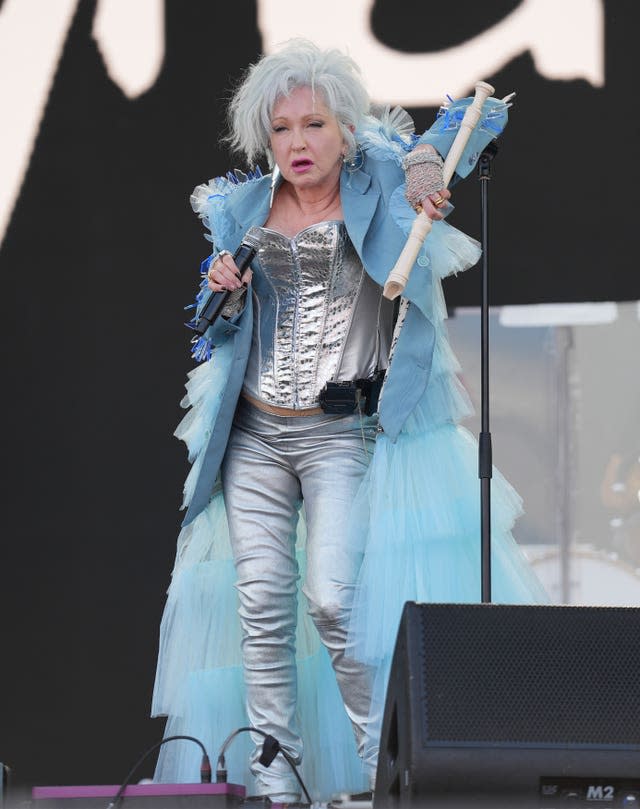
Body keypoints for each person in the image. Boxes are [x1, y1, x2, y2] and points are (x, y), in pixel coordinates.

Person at [152, 40, 547, 803]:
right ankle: (277, 783)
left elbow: (482, 112)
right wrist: (220, 288)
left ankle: (384, 775)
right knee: (259, 606)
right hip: (255, 434)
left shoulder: (384, 178)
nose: (298, 144)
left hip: (342, 430)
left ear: (345, 128)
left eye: (314, 125)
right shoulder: (239, 206)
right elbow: (213, 333)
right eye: (282, 130)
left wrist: (428, 164)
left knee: (335, 600)